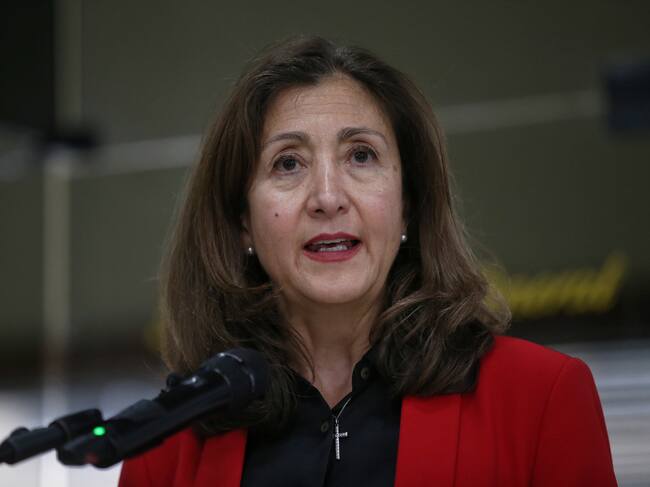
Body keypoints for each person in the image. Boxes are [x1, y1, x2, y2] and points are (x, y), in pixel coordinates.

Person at [119, 36, 617, 486]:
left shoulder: (540, 397)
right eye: (288, 163)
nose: (328, 197)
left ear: (408, 204)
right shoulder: (168, 444)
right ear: (242, 220)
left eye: (361, 156)